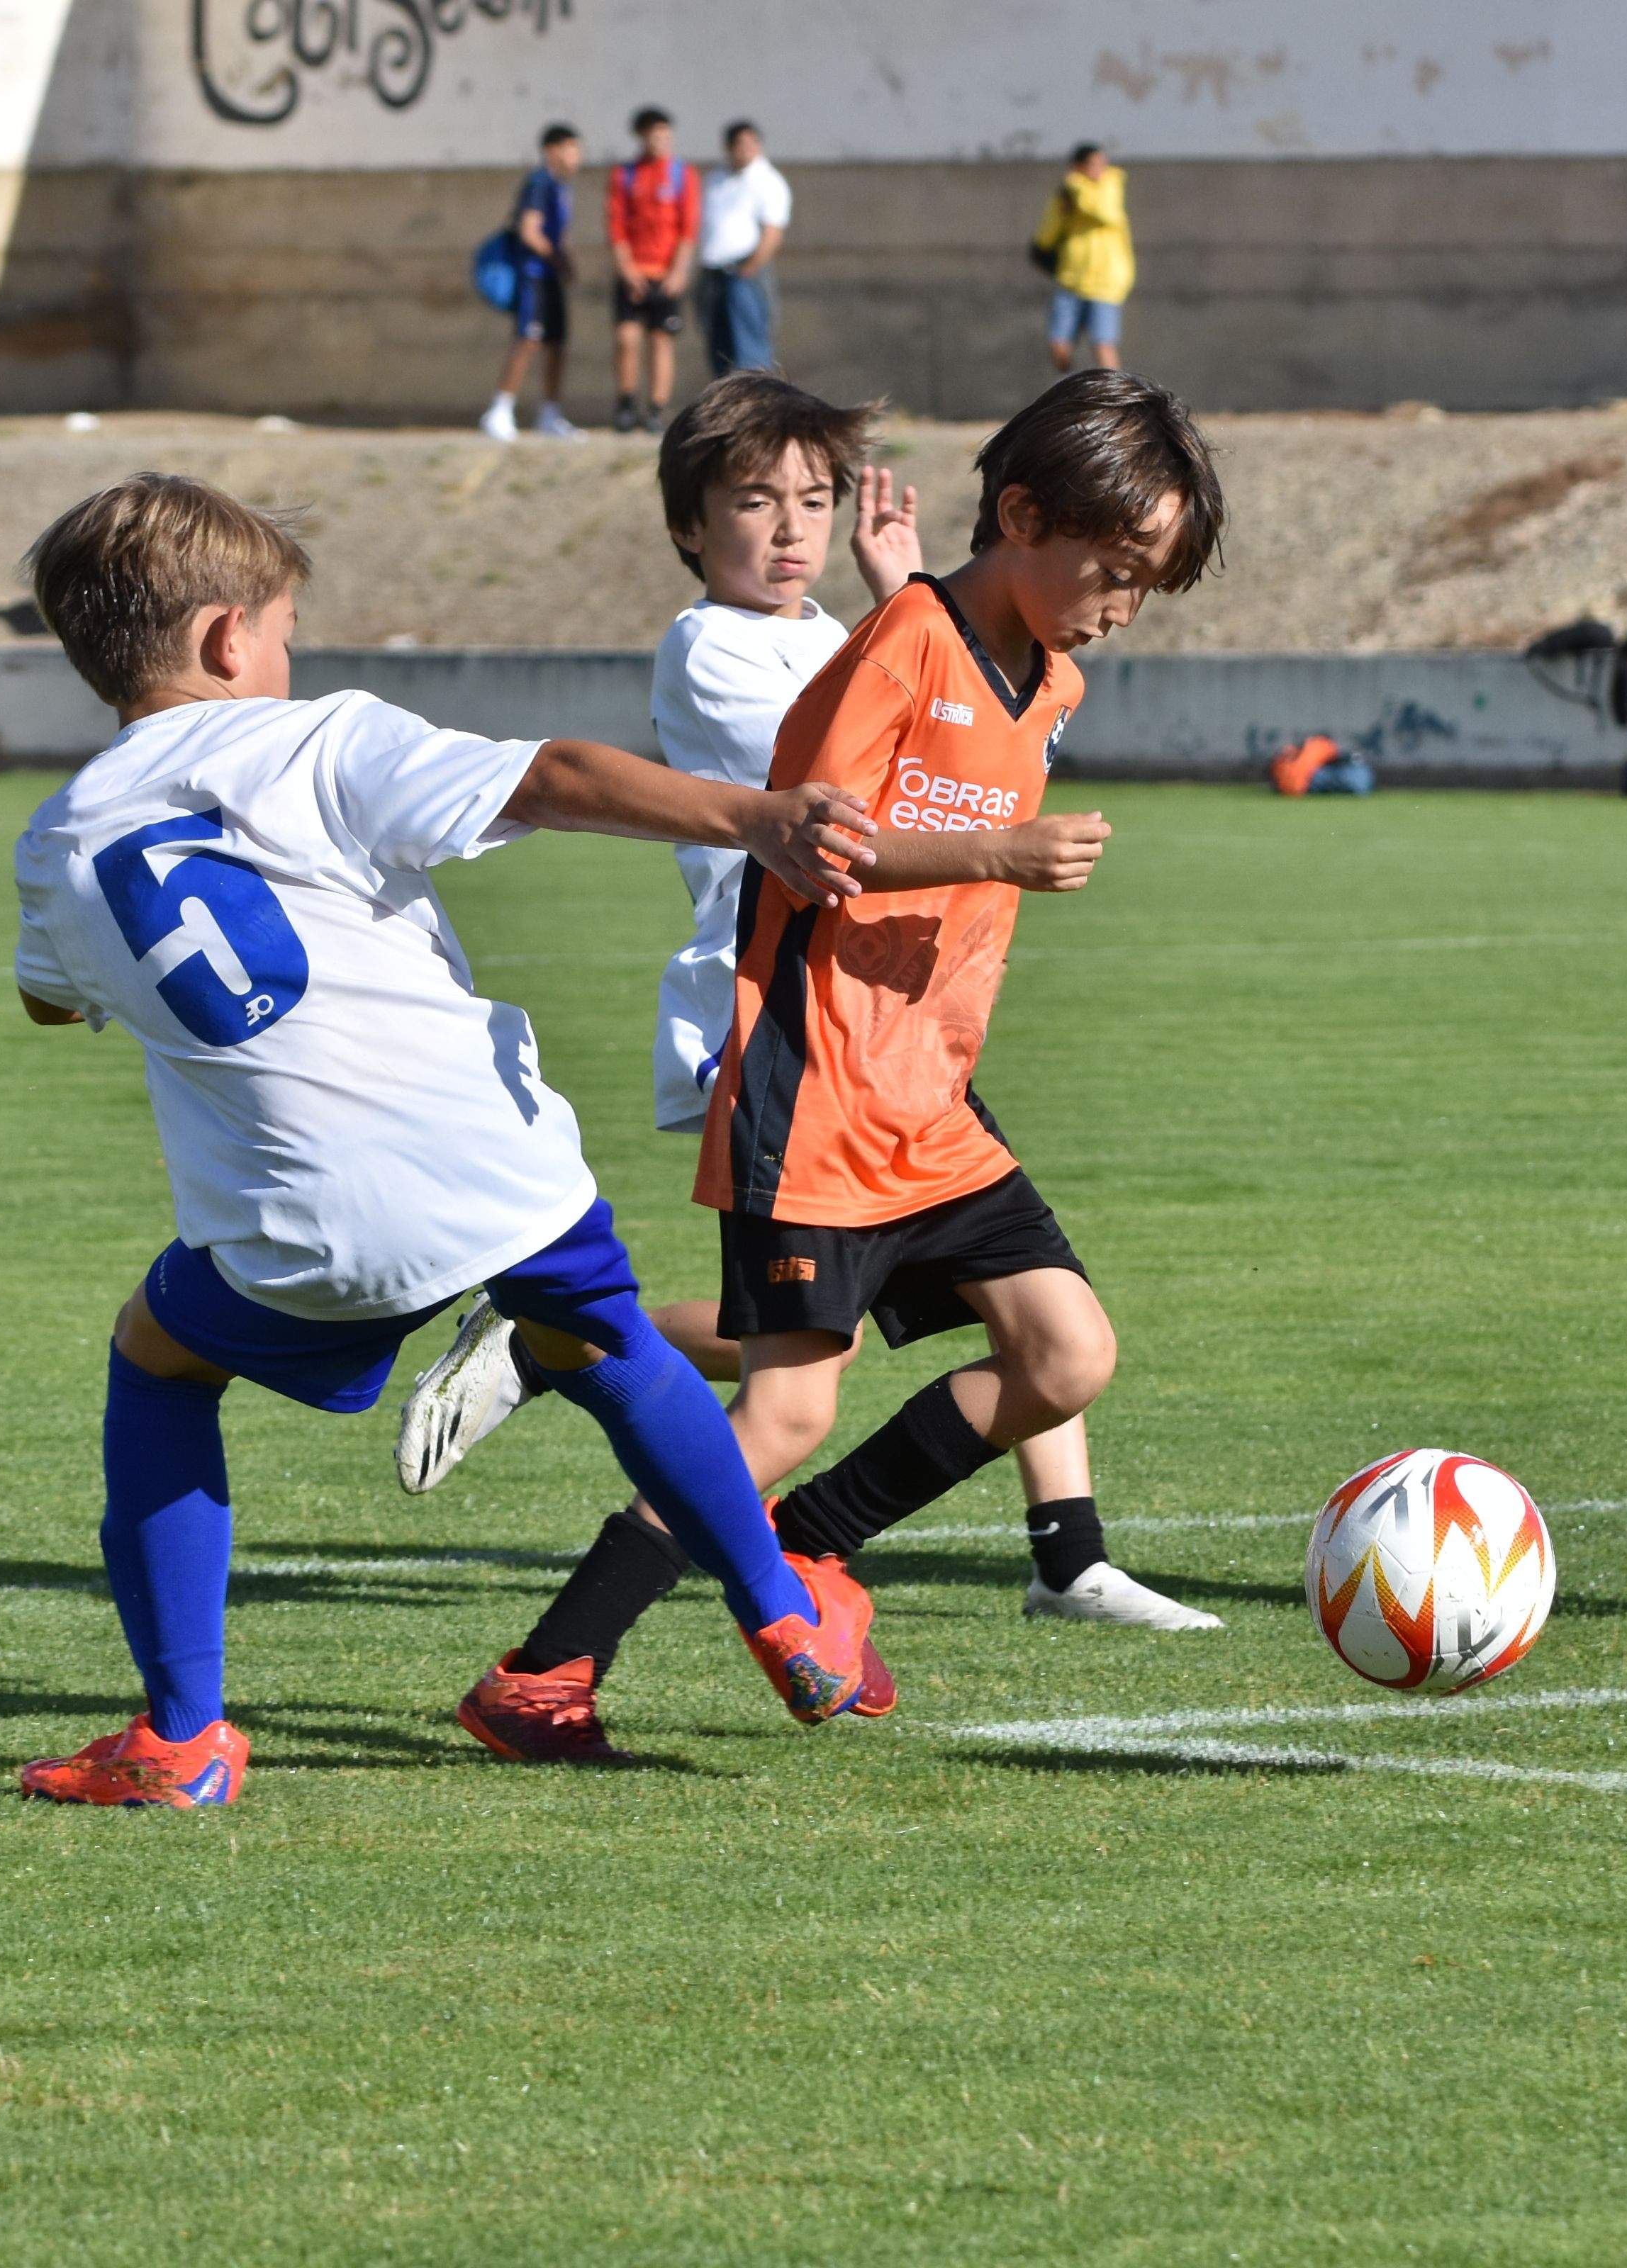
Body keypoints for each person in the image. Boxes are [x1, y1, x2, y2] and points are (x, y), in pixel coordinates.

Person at [4, 474, 886, 1805]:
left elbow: (45, 991)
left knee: (160, 1362)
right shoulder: (315, 741)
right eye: (287, 630)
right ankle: (785, 1615)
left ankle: (181, 1739)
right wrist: (755, 815)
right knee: (607, 1342)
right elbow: (555, 776)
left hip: (302, 1225)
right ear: (229, 641)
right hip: (498, 1164)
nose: (292, 659)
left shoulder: (60, 839)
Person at [451, 371, 1229, 1758]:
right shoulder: (898, 648)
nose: (1120, 605)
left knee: (1064, 1353)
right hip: (817, 1079)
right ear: (1023, 515)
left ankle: (812, 1555)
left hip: (931, 1091)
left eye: (1145, 586)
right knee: (788, 1403)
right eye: (1111, 571)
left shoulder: (1049, 673)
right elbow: (809, 840)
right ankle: (546, 1670)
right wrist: (996, 851)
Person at [481, 123, 583, 443]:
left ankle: (550, 413)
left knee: (557, 344)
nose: (576, 156)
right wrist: (556, 258)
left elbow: (559, 233)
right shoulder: (540, 183)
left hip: (551, 277)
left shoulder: (562, 187)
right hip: (534, 276)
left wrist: (565, 261)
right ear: (553, 150)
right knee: (527, 339)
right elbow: (530, 230)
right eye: (571, 149)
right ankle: (500, 408)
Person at [608, 106, 703, 433]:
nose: (661, 141)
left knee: (661, 341)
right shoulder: (625, 175)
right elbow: (617, 229)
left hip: (666, 273)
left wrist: (679, 272)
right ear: (641, 137)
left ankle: (656, 409)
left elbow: (688, 229)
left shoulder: (681, 174)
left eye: (665, 135)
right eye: (654, 135)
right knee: (627, 338)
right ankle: (626, 403)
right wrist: (628, 271)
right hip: (634, 272)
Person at [697, 118, 791, 377]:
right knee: (720, 348)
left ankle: (758, 408)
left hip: (744, 272)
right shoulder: (716, 179)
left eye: (752, 143)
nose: (747, 149)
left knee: (750, 348)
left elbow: (773, 232)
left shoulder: (767, 180)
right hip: (713, 271)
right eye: (741, 144)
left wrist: (750, 268)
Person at [1034, 143, 1134, 373]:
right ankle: (1071, 391)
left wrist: (1076, 186)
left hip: (1105, 283)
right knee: (1059, 344)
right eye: (1092, 164)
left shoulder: (1111, 185)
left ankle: (1117, 398)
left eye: (1102, 164)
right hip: (1072, 279)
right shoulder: (1068, 195)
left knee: (1103, 344)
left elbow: (1104, 212)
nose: (1099, 169)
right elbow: (1048, 234)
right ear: (1078, 167)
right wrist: (1063, 206)